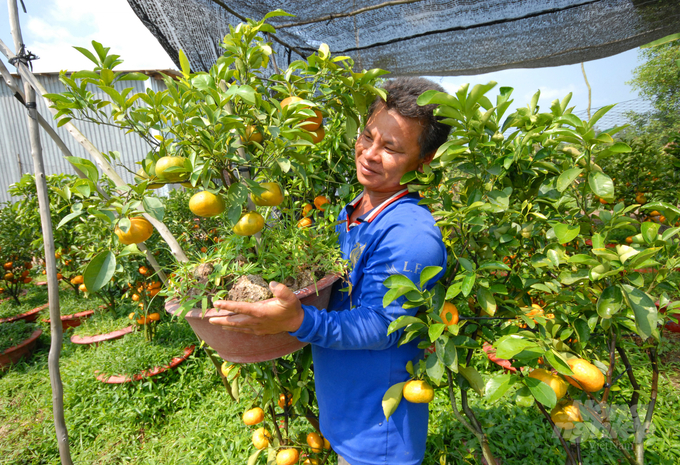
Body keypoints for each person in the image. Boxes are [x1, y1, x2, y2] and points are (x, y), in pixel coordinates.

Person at [210, 77, 451, 465]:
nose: (370, 154)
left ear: (422, 162)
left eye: (390, 148)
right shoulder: (355, 209)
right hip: (345, 415)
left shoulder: (410, 234)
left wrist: (298, 320)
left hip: (380, 435)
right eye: (368, 136)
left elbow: (381, 326)